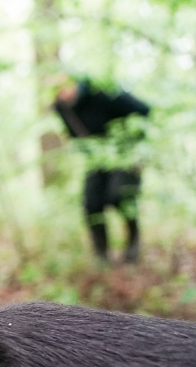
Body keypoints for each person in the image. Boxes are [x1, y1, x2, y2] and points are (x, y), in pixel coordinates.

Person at [53, 77, 151, 263]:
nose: (63, 92)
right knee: (91, 204)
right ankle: (102, 256)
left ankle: (133, 245)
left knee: (121, 195)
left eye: (66, 85)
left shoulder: (101, 91)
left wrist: (135, 148)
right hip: (97, 158)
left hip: (125, 154)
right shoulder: (61, 107)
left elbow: (143, 110)